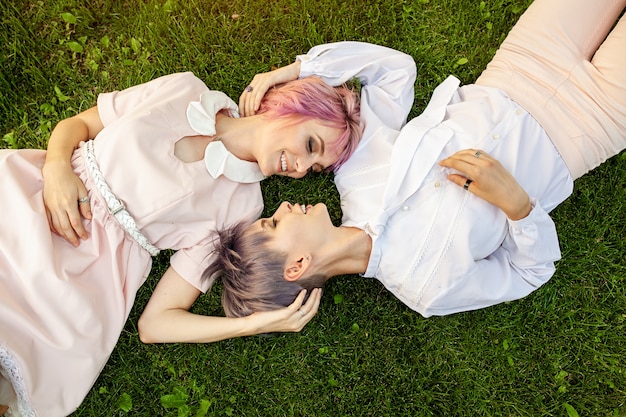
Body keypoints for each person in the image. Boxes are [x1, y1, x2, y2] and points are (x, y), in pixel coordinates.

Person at [206, 0, 626, 319]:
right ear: (298, 265)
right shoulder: (425, 288)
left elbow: (393, 71)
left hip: (522, 65)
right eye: (274, 223)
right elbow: (529, 272)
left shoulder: (354, 173)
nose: (280, 206)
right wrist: (517, 206)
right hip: (589, 126)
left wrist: (300, 69)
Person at [0, 70, 363, 416]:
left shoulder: (243, 208)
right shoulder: (184, 89)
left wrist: (252, 325)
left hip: (86, 271)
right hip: (33, 196)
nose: (300, 169)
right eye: (310, 145)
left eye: (314, 168)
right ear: (289, 107)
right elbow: (78, 125)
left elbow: (156, 324)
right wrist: (57, 167)